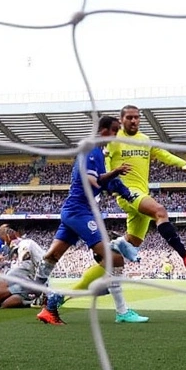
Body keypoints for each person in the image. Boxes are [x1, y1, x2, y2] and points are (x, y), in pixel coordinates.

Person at [67, 105, 186, 297]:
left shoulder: (145, 140)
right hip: (127, 195)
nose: (134, 121)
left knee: (124, 251)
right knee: (160, 212)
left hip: (141, 194)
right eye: (129, 118)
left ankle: (72, 291)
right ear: (121, 119)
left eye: (137, 118)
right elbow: (103, 167)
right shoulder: (114, 141)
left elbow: (163, 154)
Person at [34, 115, 148, 325]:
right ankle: (122, 311)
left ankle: (41, 296)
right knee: (115, 259)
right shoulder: (91, 150)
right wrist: (116, 172)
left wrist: (127, 193)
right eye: (114, 130)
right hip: (81, 212)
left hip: (73, 211)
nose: (115, 135)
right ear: (103, 130)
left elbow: (107, 184)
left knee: (53, 255)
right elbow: (94, 181)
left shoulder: (95, 153)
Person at [0, 225, 47, 309]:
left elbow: (33, 262)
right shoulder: (14, 249)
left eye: (4, 239)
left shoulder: (26, 244)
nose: (4, 243)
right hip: (19, 281)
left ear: (8, 235)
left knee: (2, 293)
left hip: (26, 282)